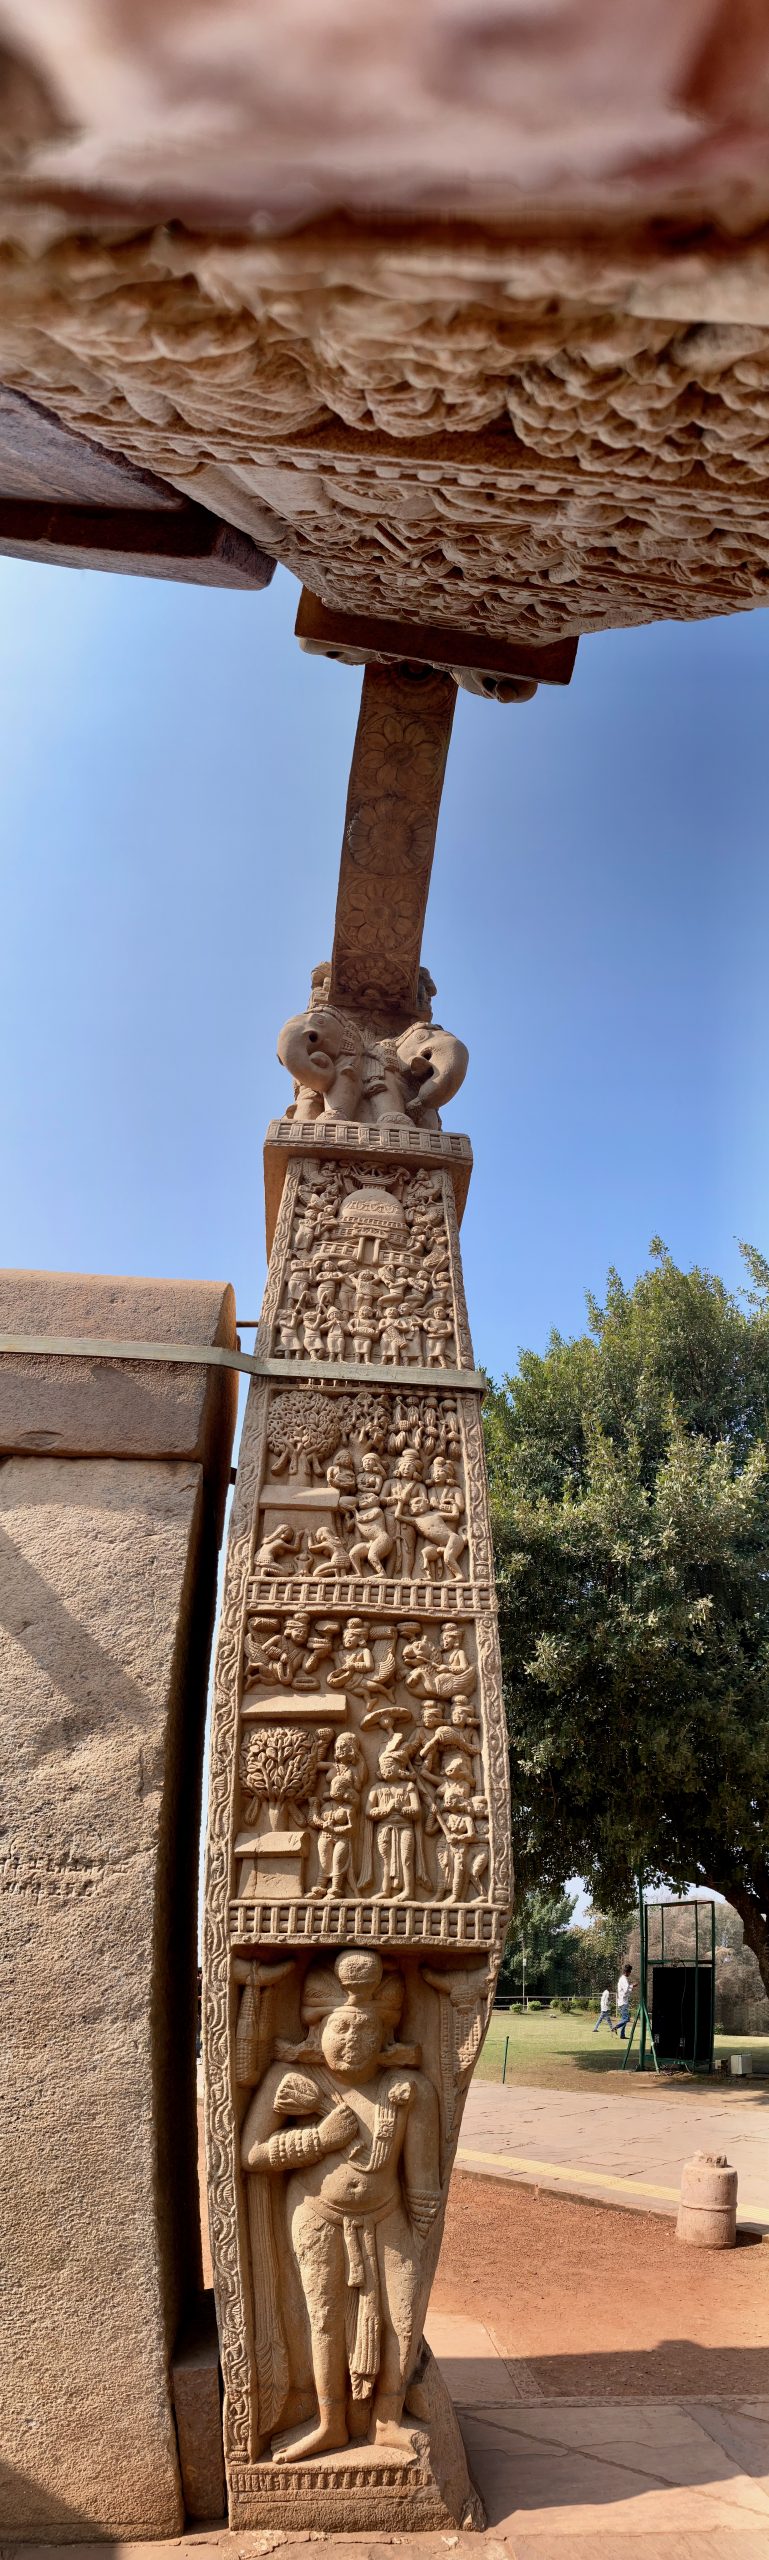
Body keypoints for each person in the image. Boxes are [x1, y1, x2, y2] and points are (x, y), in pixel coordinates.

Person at [616, 1964, 634, 2038]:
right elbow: (626, 1990)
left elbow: (626, 1989)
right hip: (623, 2002)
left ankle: (622, 2035)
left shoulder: (622, 1979)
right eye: (630, 1972)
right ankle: (615, 2027)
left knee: (624, 2019)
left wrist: (631, 1987)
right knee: (626, 2019)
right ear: (627, 1972)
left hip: (622, 2002)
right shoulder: (624, 1979)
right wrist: (632, 1986)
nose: (630, 1974)